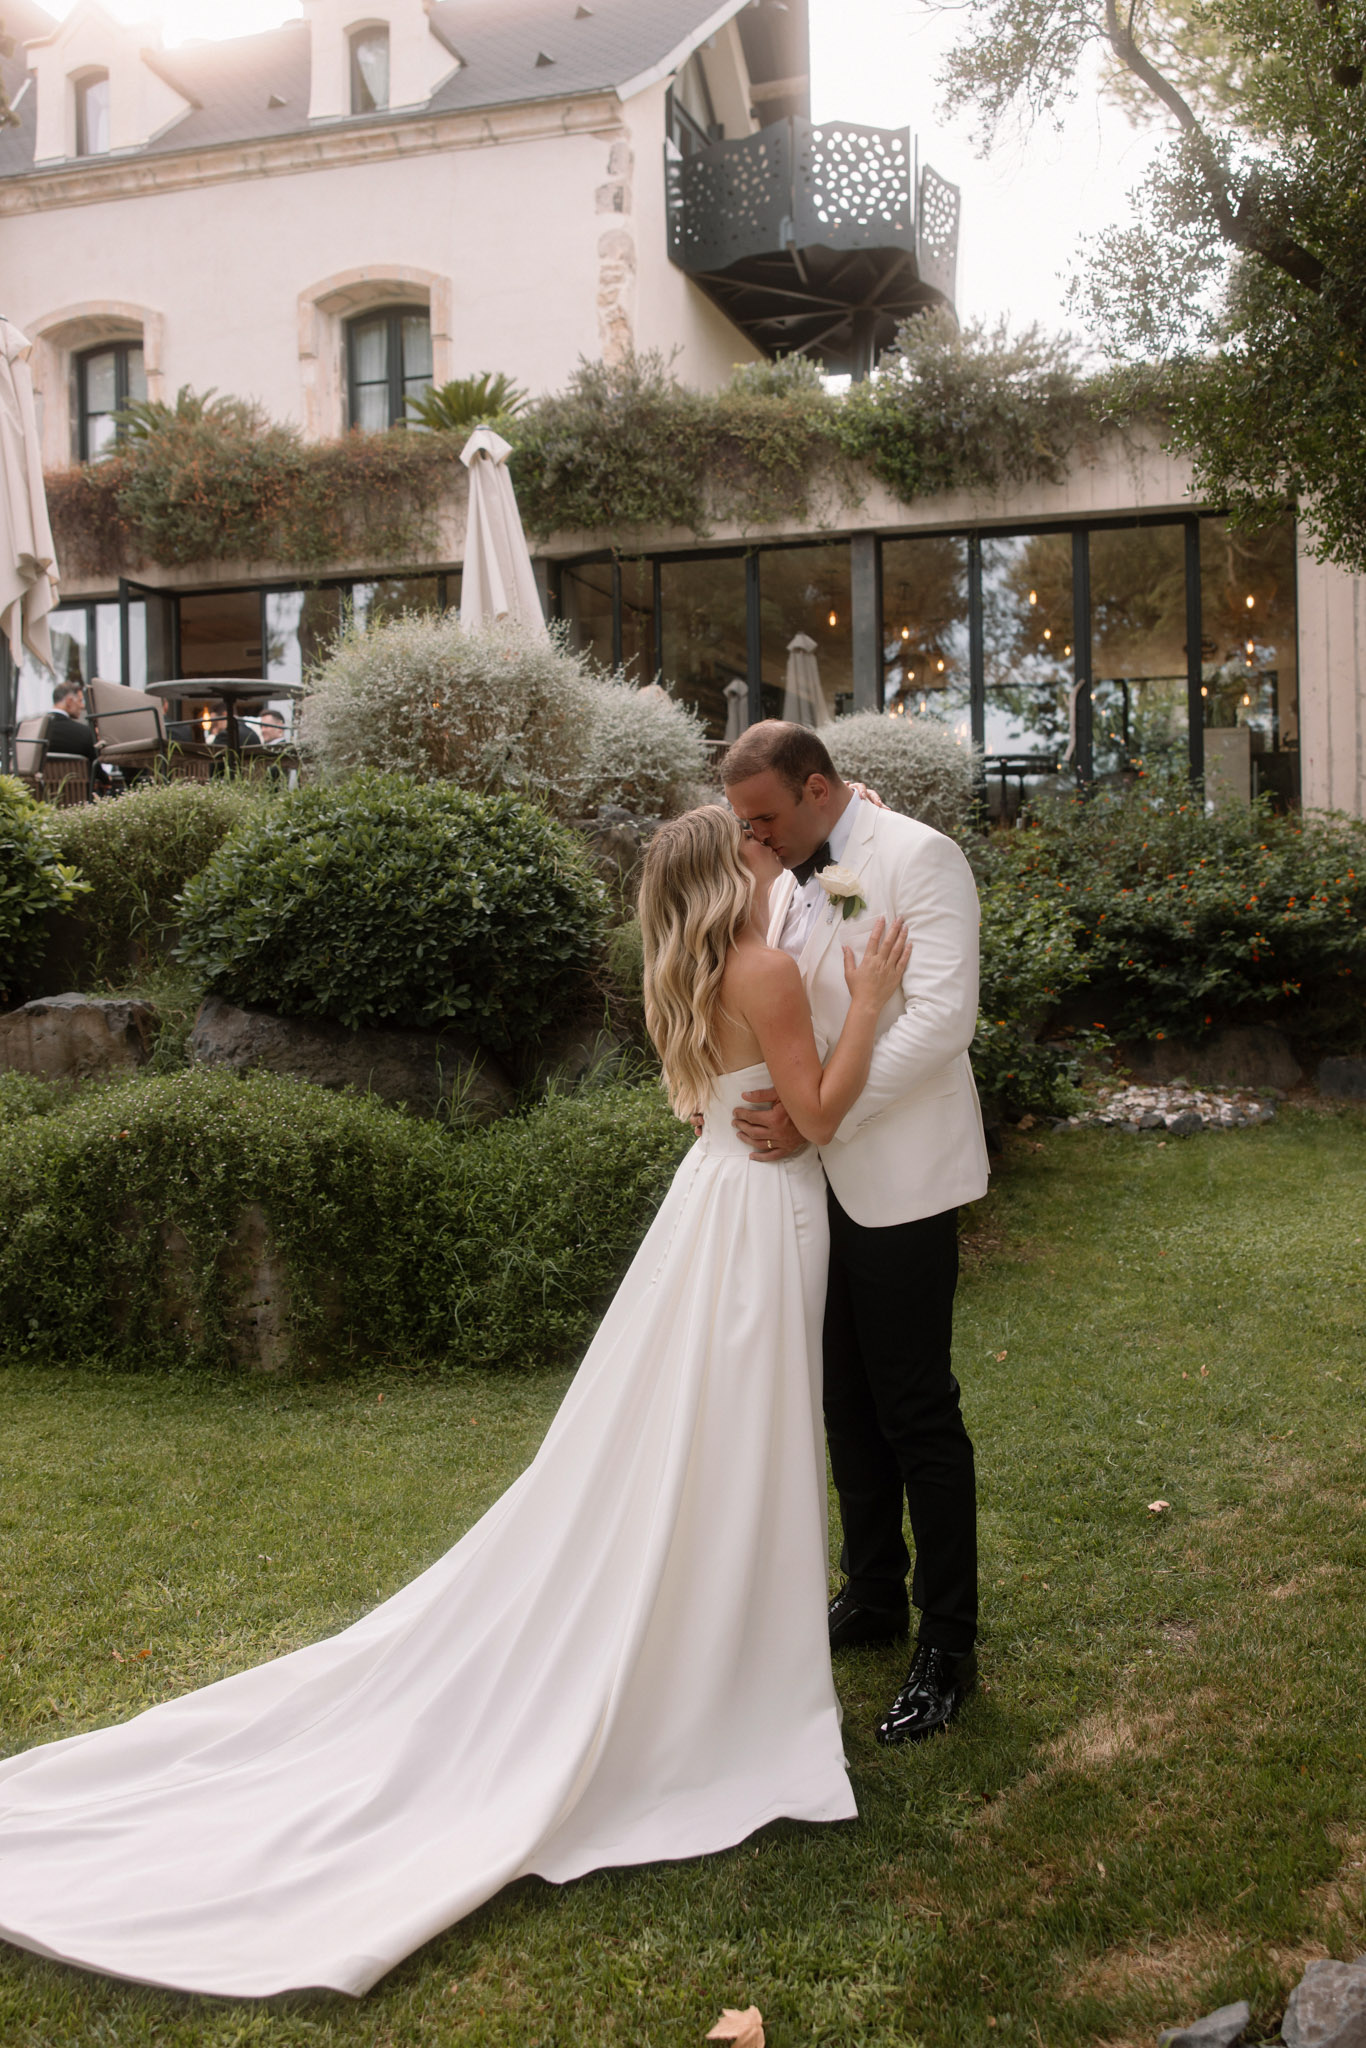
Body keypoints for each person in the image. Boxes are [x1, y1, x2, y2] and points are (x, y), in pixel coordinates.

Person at [0, 806, 909, 2003]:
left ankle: (722, 1631)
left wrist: (788, 1089)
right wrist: (878, 995)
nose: (769, 859)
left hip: (710, 1208)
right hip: (760, 1220)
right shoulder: (769, 965)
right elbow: (824, 1113)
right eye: (748, 852)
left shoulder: (687, 973)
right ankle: (725, 1669)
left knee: (696, 1436)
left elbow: (715, 1108)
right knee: (737, 1435)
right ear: (721, 876)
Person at [721, 720, 989, 1747]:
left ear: (821, 786)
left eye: (765, 816)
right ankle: (872, 1593)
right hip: (810, 1177)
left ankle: (947, 1643)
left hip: (902, 1173)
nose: (753, 836)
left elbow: (939, 1018)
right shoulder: (807, 864)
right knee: (845, 1401)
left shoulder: (918, 855)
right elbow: (820, 993)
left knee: (917, 1407)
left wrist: (825, 1112)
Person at [46, 681, 97, 764]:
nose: (82, 706)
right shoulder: (85, 733)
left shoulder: (33, 732)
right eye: (80, 701)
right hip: (77, 776)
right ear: (69, 701)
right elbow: (96, 772)